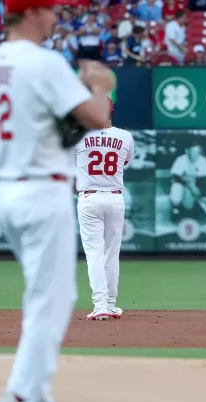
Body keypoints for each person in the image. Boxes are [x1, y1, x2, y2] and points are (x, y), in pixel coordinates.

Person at [0, 0, 113, 402]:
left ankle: (20, 396)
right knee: (52, 304)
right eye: (52, 10)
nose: (57, 17)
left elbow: (49, 119)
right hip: (42, 191)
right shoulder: (44, 61)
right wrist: (97, 85)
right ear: (34, 12)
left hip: (8, 190)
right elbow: (96, 118)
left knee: (42, 299)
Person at [74, 98, 134, 320]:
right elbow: (125, 161)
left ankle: (101, 305)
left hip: (89, 198)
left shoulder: (78, 136)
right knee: (111, 255)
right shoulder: (125, 136)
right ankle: (110, 303)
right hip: (115, 198)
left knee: (95, 254)